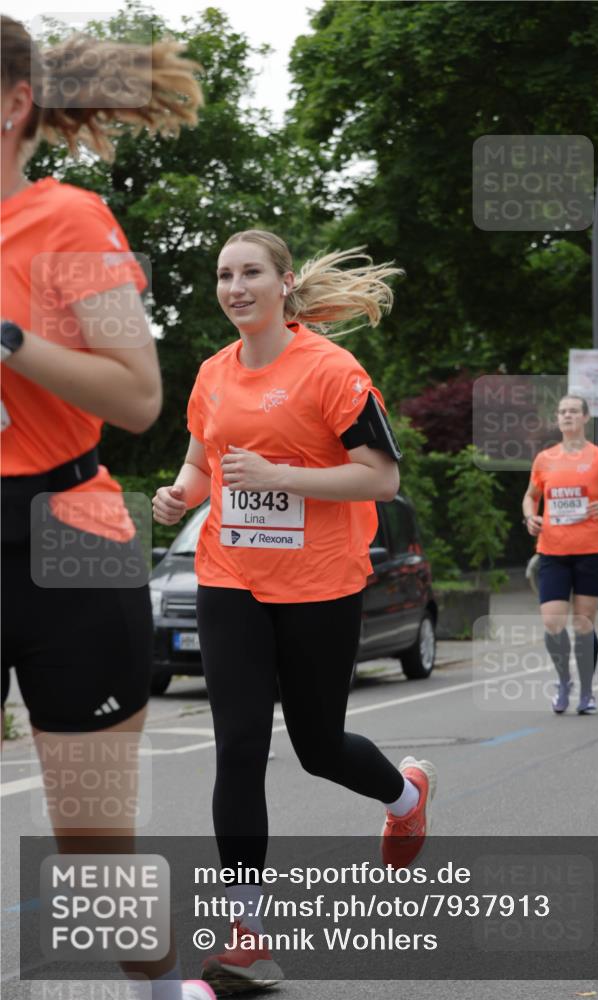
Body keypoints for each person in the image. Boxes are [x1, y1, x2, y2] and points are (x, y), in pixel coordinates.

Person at [152, 229, 438, 995]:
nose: (235, 287)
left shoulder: (331, 370)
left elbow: (379, 479)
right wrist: (183, 493)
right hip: (230, 577)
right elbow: (203, 459)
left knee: (316, 745)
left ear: (283, 284)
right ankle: (249, 935)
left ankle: (405, 796)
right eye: (223, 275)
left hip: (319, 582)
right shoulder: (212, 374)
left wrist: (279, 474)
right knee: (239, 746)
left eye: (250, 273)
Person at [0, 16, 213, 1000]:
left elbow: (136, 396)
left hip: (65, 546)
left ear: (12, 106)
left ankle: (166, 992)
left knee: (93, 857)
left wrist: (6, 338)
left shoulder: (69, 223)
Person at [522, 395, 598, 715]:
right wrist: (531, 517)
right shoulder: (545, 459)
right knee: (553, 623)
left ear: (585, 418)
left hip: (591, 549)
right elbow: (530, 497)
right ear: (557, 420)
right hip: (552, 550)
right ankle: (563, 680)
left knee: (584, 625)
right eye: (562, 412)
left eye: (574, 411)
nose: (568, 415)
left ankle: (586, 689)